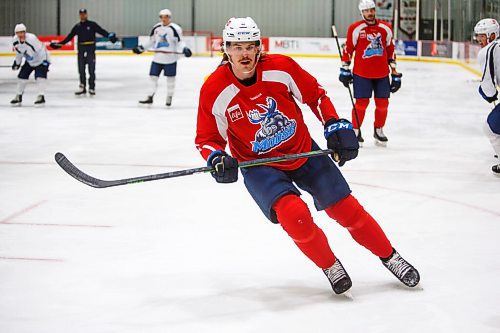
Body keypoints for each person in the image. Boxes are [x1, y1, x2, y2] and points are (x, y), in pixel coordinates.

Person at [195, 17, 420, 295]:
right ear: (226, 49)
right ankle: (330, 265)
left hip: (303, 150)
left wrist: (334, 124)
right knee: (295, 215)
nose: (244, 53)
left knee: (346, 209)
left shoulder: (281, 68)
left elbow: (316, 95)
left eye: (250, 46)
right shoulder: (215, 89)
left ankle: (390, 257)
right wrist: (217, 157)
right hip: (260, 166)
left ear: (259, 47)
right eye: (237, 47)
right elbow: (207, 140)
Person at [340, 0, 401, 147]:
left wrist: (394, 72)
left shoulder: (385, 28)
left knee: (383, 104)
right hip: (362, 74)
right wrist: (345, 69)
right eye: (367, 11)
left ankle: (378, 129)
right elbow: (348, 49)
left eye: (372, 10)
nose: (370, 13)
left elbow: (390, 50)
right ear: (362, 13)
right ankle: (355, 131)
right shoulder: (355, 28)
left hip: (381, 74)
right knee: (361, 104)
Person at [50, 8, 117, 96]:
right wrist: (60, 44)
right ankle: (82, 87)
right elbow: (69, 37)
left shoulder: (92, 25)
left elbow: (101, 31)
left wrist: (109, 36)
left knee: (91, 69)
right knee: (81, 69)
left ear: (86, 14)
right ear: (79, 15)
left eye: (84, 14)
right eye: (81, 14)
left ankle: (92, 87)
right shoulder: (77, 26)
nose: (83, 15)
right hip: (81, 49)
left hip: (90, 49)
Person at [133, 9, 192, 107]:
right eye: (162, 17)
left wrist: (185, 48)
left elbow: (179, 42)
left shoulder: (175, 29)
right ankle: (150, 96)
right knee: (153, 78)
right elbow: (151, 41)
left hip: (170, 59)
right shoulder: (156, 28)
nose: (164, 19)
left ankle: (169, 97)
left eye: (166, 17)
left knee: (170, 80)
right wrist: (141, 48)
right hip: (157, 58)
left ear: (169, 17)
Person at [475, 18, 500, 175]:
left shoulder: (488, 51)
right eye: (477, 36)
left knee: (490, 127)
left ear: (492, 35)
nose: (478, 40)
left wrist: (489, 95)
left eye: (482, 36)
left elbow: (488, 83)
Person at [10, 23, 50, 106]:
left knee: (40, 77)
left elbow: (42, 49)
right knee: (21, 77)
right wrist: (17, 63)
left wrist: (45, 61)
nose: (20, 35)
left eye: (22, 32)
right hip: (30, 61)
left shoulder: (31, 39)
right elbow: (19, 53)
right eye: (18, 33)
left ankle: (41, 95)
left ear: (25, 32)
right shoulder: (15, 41)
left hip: (41, 60)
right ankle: (18, 95)